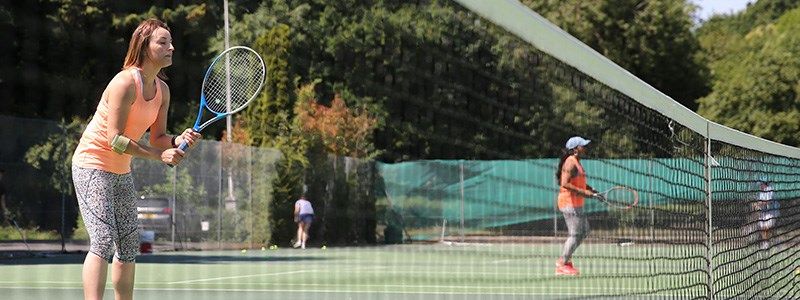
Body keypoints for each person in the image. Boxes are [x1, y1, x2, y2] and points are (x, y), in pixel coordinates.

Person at [71, 18, 201, 300]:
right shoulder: (124, 82)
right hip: (91, 164)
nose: (172, 47)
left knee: (129, 244)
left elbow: (158, 138)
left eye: (171, 42)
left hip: (120, 170)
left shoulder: (163, 91)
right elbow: (114, 139)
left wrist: (178, 140)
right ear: (144, 46)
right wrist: (159, 155)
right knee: (103, 242)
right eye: (163, 42)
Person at [554, 136, 599, 276]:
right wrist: (584, 192)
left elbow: (577, 182)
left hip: (576, 203)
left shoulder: (577, 163)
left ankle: (565, 260)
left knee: (584, 231)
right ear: (575, 149)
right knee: (575, 234)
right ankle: (562, 264)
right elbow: (565, 184)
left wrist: (589, 189)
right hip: (568, 203)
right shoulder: (570, 162)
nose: (585, 149)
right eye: (582, 146)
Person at [753, 178, 778, 249]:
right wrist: (757, 209)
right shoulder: (761, 193)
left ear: (764, 184)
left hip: (771, 212)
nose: (760, 186)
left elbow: (768, 202)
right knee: (763, 228)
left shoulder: (770, 190)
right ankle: (768, 242)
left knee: (766, 228)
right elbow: (759, 203)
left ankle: (769, 242)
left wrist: (758, 204)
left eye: (761, 184)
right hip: (763, 213)